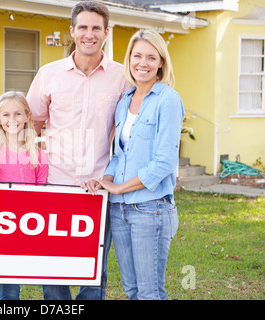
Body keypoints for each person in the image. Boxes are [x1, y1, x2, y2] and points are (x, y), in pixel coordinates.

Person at [26, 0, 131, 300]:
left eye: (96, 28)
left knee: (94, 267)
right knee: (53, 266)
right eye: (83, 27)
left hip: (98, 186)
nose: (89, 34)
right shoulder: (49, 73)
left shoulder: (122, 77)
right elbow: (31, 124)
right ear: (72, 31)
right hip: (54, 183)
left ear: (106, 32)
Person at [82, 29, 184, 300]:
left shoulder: (168, 100)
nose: (143, 63)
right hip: (120, 210)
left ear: (161, 62)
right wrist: (105, 180)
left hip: (150, 208)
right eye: (137, 56)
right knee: (132, 290)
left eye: (151, 57)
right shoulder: (124, 101)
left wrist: (120, 188)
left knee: (150, 292)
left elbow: (164, 162)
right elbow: (119, 155)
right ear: (129, 59)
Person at [0, 91, 48, 300]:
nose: (12, 120)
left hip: (23, 228)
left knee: (12, 287)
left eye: (18, 114)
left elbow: (41, 195)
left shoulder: (39, 155)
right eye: (6, 115)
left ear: (28, 116)